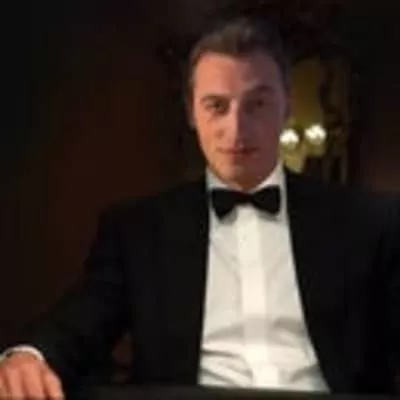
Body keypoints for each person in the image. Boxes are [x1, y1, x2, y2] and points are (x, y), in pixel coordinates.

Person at [0, 16, 399, 399]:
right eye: (216, 106)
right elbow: (79, 323)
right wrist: (29, 357)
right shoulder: (137, 231)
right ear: (192, 112)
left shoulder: (370, 222)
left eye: (257, 104)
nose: (237, 129)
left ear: (287, 107)